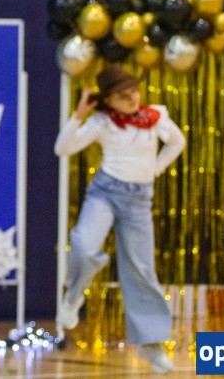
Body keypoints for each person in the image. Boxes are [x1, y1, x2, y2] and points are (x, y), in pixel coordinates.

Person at [54, 64, 185, 373]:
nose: (132, 99)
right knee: (83, 245)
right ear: (109, 100)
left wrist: (155, 169)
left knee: (141, 270)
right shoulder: (102, 123)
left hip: (139, 200)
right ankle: (72, 299)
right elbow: (62, 148)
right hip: (105, 192)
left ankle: (151, 345)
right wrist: (79, 116)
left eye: (134, 92)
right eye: (123, 95)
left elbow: (177, 142)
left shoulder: (154, 117)